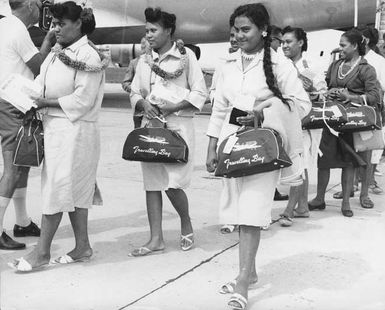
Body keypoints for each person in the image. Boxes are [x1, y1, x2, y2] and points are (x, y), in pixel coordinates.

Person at [206, 3, 310, 309]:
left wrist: (265, 111)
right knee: (237, 211)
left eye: (245, 29)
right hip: (231, 144)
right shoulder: (226, 62)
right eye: (235, 30)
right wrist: (212, 147)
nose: (238, 35)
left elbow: (302, 105)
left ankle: (241, 281)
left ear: (264, 30)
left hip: (263, 147)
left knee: (251, 212)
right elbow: (220, 109)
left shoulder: (280, 65)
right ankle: (249, 273)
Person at [9, 0, 107, 271]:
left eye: (61, 24)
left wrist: (45, 102)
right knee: (73, 191)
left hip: (77, 132)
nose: (56, 29)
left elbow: (83, 99)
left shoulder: (89, 55)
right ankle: (83, 247)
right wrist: (25, 97)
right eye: (54, 23)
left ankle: (42, 252)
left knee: (58, 190)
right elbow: (40, 83)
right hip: (55, 130)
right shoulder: (57, 52)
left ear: (78, 24)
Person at [129, 7, 207, 256]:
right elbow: (134, 91)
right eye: (146, 31)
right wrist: (143, 104)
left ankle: (185, 221)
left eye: (153, 30)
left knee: (173, 184)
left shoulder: (186, 58)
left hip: (177, 126)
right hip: (151, 126)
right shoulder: (144, 60)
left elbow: (200, 92)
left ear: (168, 31)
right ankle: (156, 239)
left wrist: (175, 106)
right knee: (152, 185)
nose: (148, 35)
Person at [0, 0, 55, 250]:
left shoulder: (5, 25)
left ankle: (22, 221)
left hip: (11, 102)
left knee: (21, 164)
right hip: (12, 103)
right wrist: (49, 41)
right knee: (12, 169)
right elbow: (38, 65)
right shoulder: (18, 29)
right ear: (31, 5)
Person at [308, 29, 381, 217]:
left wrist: (350, 96)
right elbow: (327, 85)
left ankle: (346, 203)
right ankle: (319, 198)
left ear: (355, 46)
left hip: (352, 123)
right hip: (331, 121)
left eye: (343, 45)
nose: (339, 49)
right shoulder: (335, 65)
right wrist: (328, 92)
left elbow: (375, 96)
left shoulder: (366, 69)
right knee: (323, 160)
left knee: (348, 162)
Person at [278, 26, 327, 227]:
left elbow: (323, 94)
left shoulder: (311, 64)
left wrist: (311, 88)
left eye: (289, 41)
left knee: (301, 165)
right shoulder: (280, 64)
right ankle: (302, 207)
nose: (284, 45)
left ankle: (290, 210)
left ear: (300, 43)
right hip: (287, 121)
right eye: (282, 42)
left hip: (307, 123)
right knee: (296, 164)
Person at [121, 37, 149, 129]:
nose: (144, 47)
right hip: (139, 105)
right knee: (139, 131)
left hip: (154, 105)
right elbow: (125, 83)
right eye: (143, 46)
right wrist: (135, 90)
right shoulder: (134, 62)